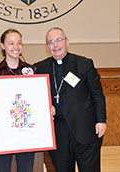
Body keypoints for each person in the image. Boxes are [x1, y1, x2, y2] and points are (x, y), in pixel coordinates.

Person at [34, 27, 107, 172]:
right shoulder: (40, 68)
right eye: (51, 42)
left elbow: (97, 94)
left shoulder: (84, 64)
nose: (56, 45)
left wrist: (101, 120)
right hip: (57, 132)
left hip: (85, 129)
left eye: (59, 40)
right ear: (47, 47)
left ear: (67, 42)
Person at [0, 29, 37, 172]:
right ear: (2, 45)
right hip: (3, 133)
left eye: (19, 43)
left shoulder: (31, 70)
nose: (16, 47)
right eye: (11, 43)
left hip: (26, 132)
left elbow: (36, 99)